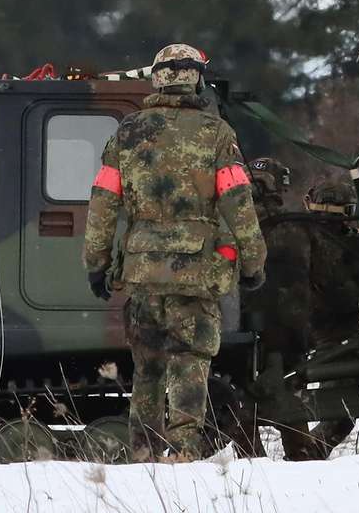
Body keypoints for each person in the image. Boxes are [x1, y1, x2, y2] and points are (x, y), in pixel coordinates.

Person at [82, 42, 265, 461]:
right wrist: (253, 262)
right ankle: (182, 452)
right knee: (189, 362)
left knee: (147, 367)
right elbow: (238, 202)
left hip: (143, 272)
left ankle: (143, 452)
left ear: (158, 78)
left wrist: (97, 264)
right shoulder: (216, 133)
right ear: (196, 78)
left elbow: (103, 202)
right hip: (196, 274)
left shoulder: (127, 133)